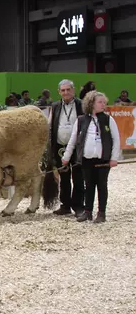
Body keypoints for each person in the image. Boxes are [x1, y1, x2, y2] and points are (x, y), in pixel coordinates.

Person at [61, 91, 121, 223]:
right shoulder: (81, 120)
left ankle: (101, 213)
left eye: (104, 102)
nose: (103, 104)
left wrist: (114, 158)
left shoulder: (108, 119)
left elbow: (116, 140)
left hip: (103, 160)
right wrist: (66, 157)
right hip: (86, 159)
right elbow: (73, 140)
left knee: (102, 186)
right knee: (88, 186)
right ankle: (88, 212)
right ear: (91, 103)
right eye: (100, 102)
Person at [48, 79, 85, 217]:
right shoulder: (55, 106)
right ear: (59, 92)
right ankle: (65, 205)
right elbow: (50, 125)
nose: (66, 92)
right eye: (63, 90)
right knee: (63, 177)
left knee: (78, 177)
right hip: (60, 146)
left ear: (73, 90)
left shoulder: (81, 105)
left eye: (68, 89)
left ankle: (79, 206)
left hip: (77, 147)